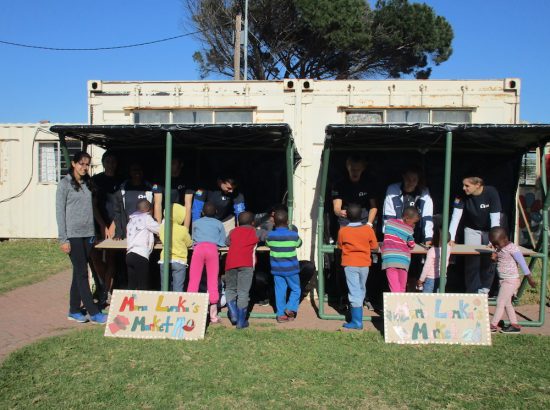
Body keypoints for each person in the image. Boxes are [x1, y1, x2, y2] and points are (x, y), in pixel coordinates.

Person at [56, 151, 107, 324]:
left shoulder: (88, 183)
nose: (84, 167)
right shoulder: (64, 184)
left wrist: (98, 228)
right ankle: (93, 312)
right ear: (73, 163)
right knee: (83, 273)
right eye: (81, 164)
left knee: (78, 273)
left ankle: (73, 310)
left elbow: (92, 209)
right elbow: (59, 212)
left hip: (88, 235)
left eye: (87, 164)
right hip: (73, 236)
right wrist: (63, 239)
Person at [449, 176, 502, 294]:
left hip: (490, 230)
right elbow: (455, 217)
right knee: (471, 260)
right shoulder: (461, 194)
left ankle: (484, 291)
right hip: (472, 229)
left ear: (478, 185)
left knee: (489, 259)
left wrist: (493, 241)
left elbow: (495, 219)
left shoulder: (491, 192)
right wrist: (451, 237)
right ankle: (472, 292)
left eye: (467, 186)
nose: (464, 188)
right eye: (463, 185)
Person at [337, 203, 379, 330]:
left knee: (354, 290)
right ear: (362, 216)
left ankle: (357, 321)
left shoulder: (343, 230)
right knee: (361, 289)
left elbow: (340, 246)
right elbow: (375, 247)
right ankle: (358, 317)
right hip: (365, 264)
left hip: (350, 264)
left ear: (347, 216)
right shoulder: (368, 229)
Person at [489, 227, 536, 334]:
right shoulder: (499, 247)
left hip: (511, 280)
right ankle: (514, 325)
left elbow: (523, 265)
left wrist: (530, 279)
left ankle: (493, 325)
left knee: (500, 301)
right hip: (503, 280)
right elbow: (500, 259)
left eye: (496, 244)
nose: (495, 246)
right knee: (507, 303)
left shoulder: (513, 248)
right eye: (493, 244)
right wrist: (494, 258)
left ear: (505, 238)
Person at [91, 150, 122, 306]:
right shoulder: (95, 180)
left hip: (115, 224)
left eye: (113, 161)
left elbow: (121, 207)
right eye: (107, 161)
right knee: (96, 258)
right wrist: (103, 225)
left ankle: (107, 292)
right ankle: (105, 288)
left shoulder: (121, 181)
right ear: (103, 163)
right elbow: (93, 205)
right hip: (97, 224)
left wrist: (112, 226)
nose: (110, 164)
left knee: (111, 259)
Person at [188, 202, 227, 323]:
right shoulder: (219, 224)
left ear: (202, 212)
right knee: (213, 281)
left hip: (198, 249)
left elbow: (193, 238)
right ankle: (213, 316)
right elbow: (222, 242)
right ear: (216, 213)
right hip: (212, 250)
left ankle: (190, 311)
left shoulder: (196, 223)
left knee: (194, 280)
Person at [266, 208, 302, 323]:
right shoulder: (293, 235)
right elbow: (299, 244)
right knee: (296, 289)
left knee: (280, 291)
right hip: (291, 269)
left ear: (274, 222)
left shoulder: (270, 236)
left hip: (277, 269)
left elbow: (267, 243)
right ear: (287, 222)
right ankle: (290, 307)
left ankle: (281, 314)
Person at [225, 211, 259, 329]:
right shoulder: (255, 231)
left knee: (230, 289)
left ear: (238, 223)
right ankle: (241, 321)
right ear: (253, 222)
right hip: (247, 264)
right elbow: (266, 237)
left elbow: (227, 242)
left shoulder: (233, 231)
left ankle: (233, 314)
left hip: (230, 264)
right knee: (243, 292)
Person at [383, 165, 433, 245]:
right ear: (403, 177)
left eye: (414, 180)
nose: (411, 183)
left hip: (417, 235)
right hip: (397, 236)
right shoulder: (392, 189)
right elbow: (389, 218)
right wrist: (393, 237)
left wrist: (428, 238)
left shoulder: (424, 192)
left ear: (418, 180)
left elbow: (427, 217)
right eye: (408, 179)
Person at [332, 155, 378, 227]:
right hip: (345, 221)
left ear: (363, 169)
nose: (355, 172)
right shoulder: (339, 185)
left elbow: (374, 207)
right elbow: (336, 208)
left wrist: (369, 224)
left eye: (358, 169)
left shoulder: (369, 184)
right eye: (353, 169)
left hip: (365, 220)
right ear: (347, 167)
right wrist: (339, 212)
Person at [381, 207, 420, 292]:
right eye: (413, 222)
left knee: (394, 286)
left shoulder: (389, 222)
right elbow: (411, 244)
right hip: (403, 260)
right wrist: (411, 229)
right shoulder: (409, 229)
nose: (414, 224)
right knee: (402, 286)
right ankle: (400, 304)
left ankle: (396, 304)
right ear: (407, 218)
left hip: (389, 259)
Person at [113, 162, 154, 239]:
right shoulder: (122, 189)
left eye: (139, 170)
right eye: (134, 170)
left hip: (145, 233)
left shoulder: (150, 188)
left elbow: (154, 210)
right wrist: (118, 233)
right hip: (128, 233)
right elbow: (117, 213)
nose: (137, 172)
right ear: (130, 172)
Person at [126, 199, 160, 290]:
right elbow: (159, 229)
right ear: (149, 209)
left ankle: (131, 303)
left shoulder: (131, 220)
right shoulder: (146, 218)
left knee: (132, 285)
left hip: (129, 254)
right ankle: (142, 304)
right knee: (143, 285)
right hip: (140, 255)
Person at [158, 203, 192, 292]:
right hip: (179, 261)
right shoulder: (183, 230)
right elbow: (189, 243)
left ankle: (164, 304)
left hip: (164, 260)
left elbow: (162, 239)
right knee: (178, 287)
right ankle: (176, 305)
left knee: (164, 286)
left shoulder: (162, 228)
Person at [153, 157, 194, 228]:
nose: (170, 165)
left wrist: (185, 229)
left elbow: (188, 205)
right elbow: (157, 204)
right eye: (169, 163)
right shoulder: (160, 179)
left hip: (181, 219)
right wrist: (158, 229)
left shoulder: (187, 180)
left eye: (173, 163)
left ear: (181, 165)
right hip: (165, 219)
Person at [417, 228, 451, 293]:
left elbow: (427, 267)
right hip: (443, 277)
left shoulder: (432, 251)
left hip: (430, 278)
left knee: (426, 299)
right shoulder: (448, 248)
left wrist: (421, 279)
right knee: (438, 298)